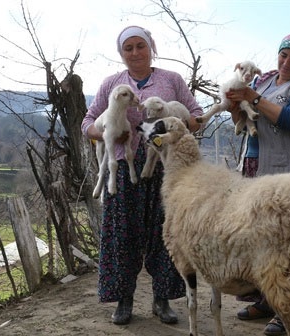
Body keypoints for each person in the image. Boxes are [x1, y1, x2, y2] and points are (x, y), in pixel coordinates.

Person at [81, 25, 203, 326]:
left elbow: (196, 115)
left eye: (140, 46)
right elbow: (88, 121)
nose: (135, 52)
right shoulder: (112, 83)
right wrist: (106, 131)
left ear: (151, 47)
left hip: (167, 170)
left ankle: (162, 300)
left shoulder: (171, 80)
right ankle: (124, 300)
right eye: (128, 48)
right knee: (122, 236)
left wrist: (176, 129)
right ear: (121, 53)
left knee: (166, 234)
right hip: (122, 169)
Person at [224, 32, 290, 336]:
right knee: (261, 241)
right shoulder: (263, 80)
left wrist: (252, 98)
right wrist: (233, 106)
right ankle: (269, 300)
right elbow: (240, 120)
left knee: (288, 243)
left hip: (286, 175)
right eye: (284, 55)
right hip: (254, 168)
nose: (287, 62)